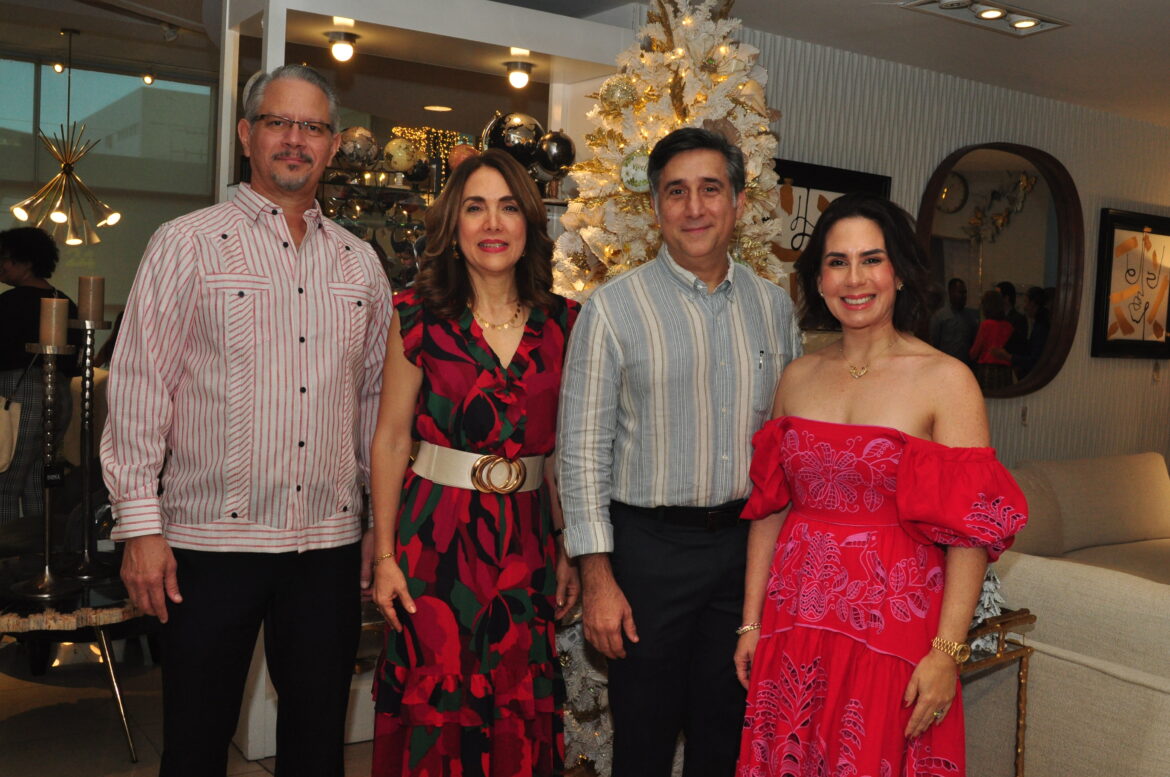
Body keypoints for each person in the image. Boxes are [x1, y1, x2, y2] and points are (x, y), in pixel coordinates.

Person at [100, 64, 392, 777]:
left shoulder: (361, 264)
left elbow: (374, 406)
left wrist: (379, 523)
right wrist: (140, 527)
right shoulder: (186, 242)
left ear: (331, 146)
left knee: (317, 743)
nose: (296, 140)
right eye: (278, 123)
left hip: (324, 547)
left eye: (313, 127)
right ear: (246, 134)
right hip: (205, 547)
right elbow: (140, 387)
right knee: (197, 745)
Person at [733, 192, 1028, 776]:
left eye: (872, 259)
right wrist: (751, 623)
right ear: (818, 280)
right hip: (796, 620)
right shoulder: (797, 376)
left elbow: (969, 533)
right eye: (837, 262)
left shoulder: (947, 380)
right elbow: (769, 509)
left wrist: (947, 653)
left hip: (892, 628)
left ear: (899, 273)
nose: (855, 278)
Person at [558, 127, 801, 777]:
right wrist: (597, 575)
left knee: (725, 738)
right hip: (648, 554)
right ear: (657, 207)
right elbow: (581, 452)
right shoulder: (612, 309)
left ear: (739, 203)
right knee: (643, 738)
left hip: (742, 556)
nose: (694, 207)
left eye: (710, 189)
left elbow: (787, 444)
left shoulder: (774, 310)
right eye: (676, 192)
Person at [369, 148, 579, 776]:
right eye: (475, 208)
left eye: (509, 208)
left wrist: (570, 549)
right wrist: (384, 557)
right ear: (453, 227)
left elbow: (569, 449)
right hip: (436, 540)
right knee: (438, 699)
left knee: (518, 697)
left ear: (529, 224)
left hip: (530, 545)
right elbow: (389, 441)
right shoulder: (416, 316)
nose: (493, 224)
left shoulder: (566, 322)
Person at [0, 227, 81, 524]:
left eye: (7, 259)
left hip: (17, 396)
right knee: (38, 481)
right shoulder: (64, 300)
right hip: (59, 396)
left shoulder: (11, 302)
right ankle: (40, 555)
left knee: (5, 484)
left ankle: (6, 561)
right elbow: (76, 360)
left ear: (27, 262)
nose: (2, 265)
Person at [970, 288, 1014, 391]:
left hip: (988, 370)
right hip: (1005, 371)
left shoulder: (986, 325)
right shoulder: (1009, 326)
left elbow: (974, 352)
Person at [929, 277, 978, 366]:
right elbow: (934, 342)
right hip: (946, 364)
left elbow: (974, 343)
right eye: (960, 292)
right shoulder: (940, 316)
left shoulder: (971, 317)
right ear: (951, 293)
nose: (964, 296)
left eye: (965, 293)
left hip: (965, 365)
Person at [1013, 285, 1050, 378]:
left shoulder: (1041, 327)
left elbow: (1035, 360)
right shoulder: (1040, 323)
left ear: (1033, 303)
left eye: (1026, 302)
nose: (1024, 306)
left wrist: (1009, 357)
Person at [995, 280, 1028, 361]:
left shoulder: (1019, 319)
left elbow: (1020, 345)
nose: (994, 299)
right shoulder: (996, 317)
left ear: (1006, 298)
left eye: (997, 296)